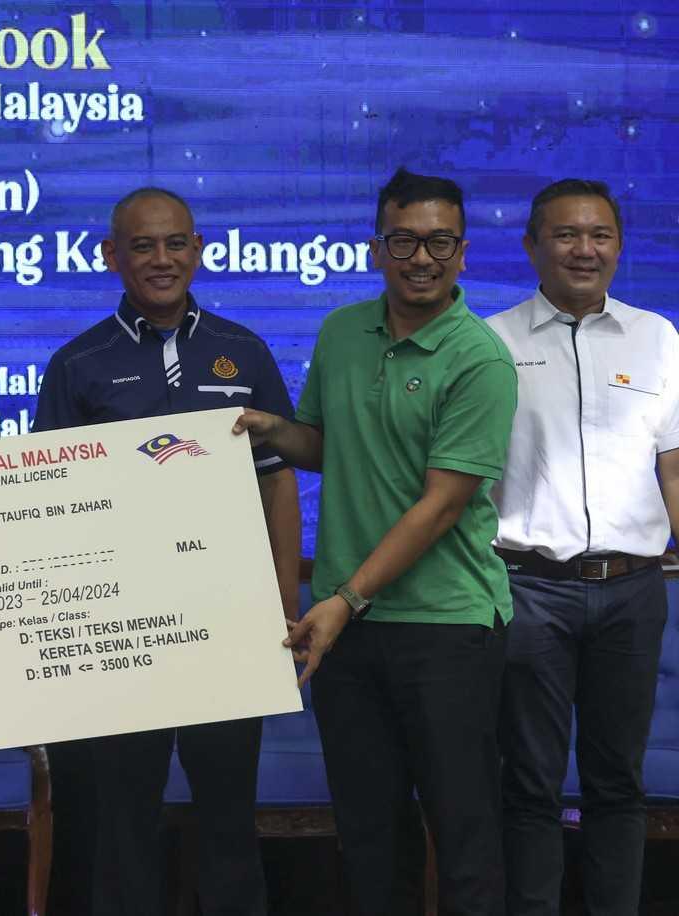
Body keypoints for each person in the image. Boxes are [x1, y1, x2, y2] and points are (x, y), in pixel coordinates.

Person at [235, 167, 517, 915]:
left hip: (446, 625)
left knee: (463, 834)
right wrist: (269, 432)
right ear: (376, 248)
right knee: (367, 833)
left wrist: (345, 599)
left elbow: (440, 506)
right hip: (351, 635)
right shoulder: (340, 331)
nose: (420, 257)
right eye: (404, 240)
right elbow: (334, 445)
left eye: (439, 242)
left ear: (462, 253)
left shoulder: (480, 357)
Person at [34, 187, 301, 916]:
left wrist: (283, 602)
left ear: (199, 249)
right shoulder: (77, 364)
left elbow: (277, 484)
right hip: (124, 630)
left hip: (230, 621)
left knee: (227, 816)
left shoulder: (242, 348)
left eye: (176, 243)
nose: (162, 260)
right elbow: (52, 508)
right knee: (122, 824)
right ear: (111, 256)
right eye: (143, 246)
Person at [487, 179, 679, 915]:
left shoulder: (656, 336)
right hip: (529, 589)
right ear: (533, 246)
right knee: (529, 784)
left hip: (635, 589)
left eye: (599, 235)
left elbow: (673, 464)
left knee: (617, 785)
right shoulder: (492, 342)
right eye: (565, 235)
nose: (584, 249)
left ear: (619, 246)